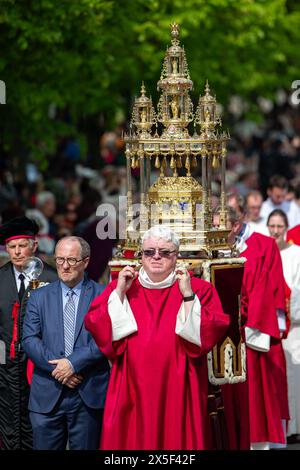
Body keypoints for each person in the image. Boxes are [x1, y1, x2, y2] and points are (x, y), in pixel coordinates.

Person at [85, 225, 230, 450]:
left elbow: (208, 332)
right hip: (131, 383)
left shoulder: (198, 288)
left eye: (164, 252)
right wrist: (119, 294)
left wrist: (188, 296)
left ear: (177, 255)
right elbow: (96, 322)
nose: (156, 257)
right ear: (140, 255)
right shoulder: (122, 286)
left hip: (180, 383)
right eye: (149, 251)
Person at [22, 236, 110, 450]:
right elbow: (30, 339)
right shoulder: (39, 296)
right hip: (47, 393)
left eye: (71, 260)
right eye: (60, 260)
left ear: (86, 262)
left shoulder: (103, 296)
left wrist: (73, 363)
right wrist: (60, 368)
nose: (65, 266)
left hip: (87, 392)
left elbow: (107, 338)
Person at [214, 203, 289, 450]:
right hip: (212, 335)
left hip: (244, 334)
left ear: (235, 226)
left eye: (219, 227)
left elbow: (261, 295)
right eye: (211, 226)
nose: (214, 232)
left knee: (251, 396)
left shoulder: (252, 256)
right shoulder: (207, 255)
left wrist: (246, 325)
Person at [0, 216, 57, 450]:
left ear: (34, 246)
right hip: (5, 364)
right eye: (11, 247)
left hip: (41, 363)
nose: (16, 252)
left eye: (22, 246)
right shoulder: (0, 278)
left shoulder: (51, 279)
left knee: (39, 421)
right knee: (9, 420)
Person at [267, 209, 300, 441]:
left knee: (294, 375)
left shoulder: (296, 254)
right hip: (271, 325)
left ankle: (295, 427)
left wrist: (291, 309)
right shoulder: (264, 253)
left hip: (294, 324)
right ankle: (280, 427)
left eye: (280, 226)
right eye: (272, 226)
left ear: (286, 228)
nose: (276, 231)